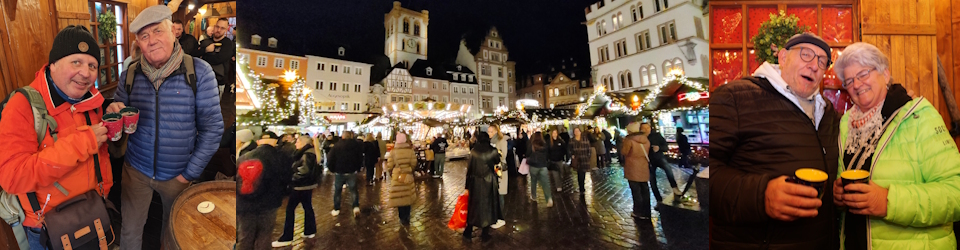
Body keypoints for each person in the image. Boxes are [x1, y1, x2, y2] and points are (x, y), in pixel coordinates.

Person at [710, 32, 841, 249]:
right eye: (806, 55)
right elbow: (707, 175)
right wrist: (761, 196)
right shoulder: (735, 98)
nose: (814, 66)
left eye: (822, 61)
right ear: (782, 57)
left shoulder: (828, 114)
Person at [111, 6, 224, 249]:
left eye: (157, 31)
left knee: (173, 235)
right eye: (144, 36)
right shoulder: (130, 73)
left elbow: (212, 129)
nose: (152, 41)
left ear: (173, 31)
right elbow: (119, 112)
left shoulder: (199, 72)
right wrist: (114, 111)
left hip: (178, 173)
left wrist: (189, 173)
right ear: (139, 43)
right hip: (135, 170)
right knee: (129, 234)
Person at [830, 42, 960, 249]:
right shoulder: (847, 124)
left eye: (863, 74)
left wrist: (889, 201)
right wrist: (838, 197)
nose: (856, 84)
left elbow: (955, 194)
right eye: (849, 80)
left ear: (885, 74)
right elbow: (844, 181)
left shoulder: (920, 117)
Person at [0, 26, 110, 250]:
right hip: (49, 228)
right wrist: (83, 143)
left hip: (92, 210)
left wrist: (111, 121)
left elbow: (99, 156)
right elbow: (12, 177)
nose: (86, 73)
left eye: (92, 65)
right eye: (76, 62)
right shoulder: (22, 105)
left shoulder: (91, 101)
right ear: (53, 64)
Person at [236, 137, 291, 250]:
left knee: (245, 235)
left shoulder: (244, 157)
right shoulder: (281, 157)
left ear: (258, 142)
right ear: (275, 142)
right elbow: (287, 179)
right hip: (269, 203)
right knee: (265, 235)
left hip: (244, 203)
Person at [270, 135, 319, 247]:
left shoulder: (307, 154)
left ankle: (287, 236)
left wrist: (292, 178)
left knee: (290, 209)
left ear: (302, 142)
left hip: (300, 186)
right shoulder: (308, 152)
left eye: (297, 141)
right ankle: (310, 230)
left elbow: (304, 171)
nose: (296, 143)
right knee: (307, 206)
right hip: (306, 186)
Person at [463, 132, 501, 242]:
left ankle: (468, 231)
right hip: (489, 182)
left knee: (474, 206)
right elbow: (497, 162)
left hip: (475, 182)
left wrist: (467, 186)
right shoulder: (493, 150)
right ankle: (485, 234)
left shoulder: (474, 151)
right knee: (488, 207)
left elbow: (469, 170)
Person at [327, 131, 364, 217]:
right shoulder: (356, 146)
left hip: (339, 171)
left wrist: (332, 169)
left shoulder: (336, 146)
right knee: (353, 190)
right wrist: (358, 168)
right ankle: (355, 206)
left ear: (342, 137)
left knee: (337, 191)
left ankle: (336, 208)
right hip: (351, 171)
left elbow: (330, 158)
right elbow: (360, 158)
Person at [199, 18, 236, 96]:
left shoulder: (228, 44)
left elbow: (218, 59)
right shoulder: (207, 41)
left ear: (226, 30)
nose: (218, 30)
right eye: (217, 27)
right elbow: (195, 54)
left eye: (222, 28)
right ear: (214, 27)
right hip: (203, 80)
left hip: (218, 81)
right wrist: (205, 50)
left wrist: (204, 56)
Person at [385, 133, 416, 225]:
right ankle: (407, 215)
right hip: (407, 175)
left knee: (399, 196)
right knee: (407, 196)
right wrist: (409, 170)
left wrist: (392, 172)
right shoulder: (410, 151)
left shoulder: (393, 152)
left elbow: (390, 165)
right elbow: (414, 163)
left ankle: (402, 217)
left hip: (397, 176)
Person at [623, 122, 651, 219]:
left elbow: (624, 152)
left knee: (636, 191)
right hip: (643, 166)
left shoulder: (629, 140)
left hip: (632, 167)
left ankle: (638, 211)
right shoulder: (645, 140)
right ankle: (647, 211)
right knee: (645, 189)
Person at [648, 124, 681, 202]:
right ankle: (658, 200)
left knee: (668, 169)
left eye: (647, 128)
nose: (646, 130)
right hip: (648, 161)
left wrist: (659, 148)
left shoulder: (656, 135)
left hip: (659, 158)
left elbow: (665, 147)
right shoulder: (642, 138)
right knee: (652, 181)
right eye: (643, 128)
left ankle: (674, 187)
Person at [487, 125, 508, 229]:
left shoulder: (501, 141)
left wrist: (493, 153)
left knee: (500, 195)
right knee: (494, 194)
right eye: (488, 132)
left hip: (500, 171)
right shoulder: (490, 141)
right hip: (492, 170)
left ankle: (501, 218)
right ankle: (495, 216)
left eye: (491, 132)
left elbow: (503, 155)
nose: (489, 134)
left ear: (495, 132)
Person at [526, 132, 553, 207]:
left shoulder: (531, 144)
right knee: (546, 183)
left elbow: (527, 153)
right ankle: (548, 198)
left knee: (533, 181)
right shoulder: (545, 144)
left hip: (533, 165)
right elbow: (547, 155)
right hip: (543, 165)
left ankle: (534, 196)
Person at [569, 127, 594, 194]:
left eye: (577, 131)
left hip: (584, 159)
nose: (576, 132)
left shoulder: (585, 139)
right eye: (575, 131)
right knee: (579, 173)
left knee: (582, 173)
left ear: (580, 132)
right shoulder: (572, 140)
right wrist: (572, 155)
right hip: (577, 160)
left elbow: (589, 149)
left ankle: (582, 187)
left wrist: (588, 157)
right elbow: (569, 149)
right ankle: (581, 187)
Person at [546, 129, 569, 193]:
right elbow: (547, 151)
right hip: (553, 161)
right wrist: (548, 159)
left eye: (555, 133)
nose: (554, 134)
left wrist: (564, 156)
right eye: (553, 133)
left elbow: (565, 149)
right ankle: (558, 186)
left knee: (561, 173)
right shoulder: (549, 142)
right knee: (555, 175)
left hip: (560, 160)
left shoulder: (561, 141)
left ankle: (561, 183)